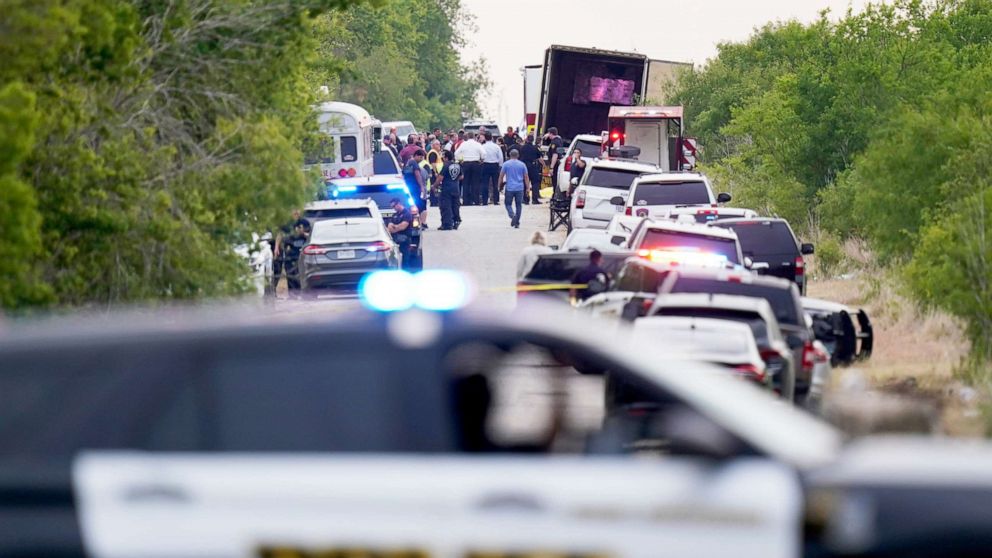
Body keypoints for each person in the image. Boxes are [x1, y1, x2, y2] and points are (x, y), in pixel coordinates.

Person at [273, 209, 311, 297]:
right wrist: (276, 247)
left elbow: (311, 236)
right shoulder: (286, 224)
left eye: (297, 211)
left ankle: (303, 294)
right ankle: (292, 294)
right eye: (294, 211)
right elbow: (280, 235)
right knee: (289, 273)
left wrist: (303, 233)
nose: (296, 213)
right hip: (290, 252)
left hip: (302, 253)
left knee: (302, 274)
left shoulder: (305, 223)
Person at [499, 149, 530, 228]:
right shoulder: (522, 164)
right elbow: (526, 177)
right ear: (518, 155)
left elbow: (501, 176)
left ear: (509, 155)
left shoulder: (506, 164)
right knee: (518, 205)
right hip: (519, 187)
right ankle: (517, 222)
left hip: (510, 187)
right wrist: (528, 188)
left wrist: (499, 185)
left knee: (508, 204)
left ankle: (512, 215)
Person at [455, 130, 484, 205]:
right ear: (474, 136)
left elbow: (456, 153)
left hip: (466, 163)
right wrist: (482, 160)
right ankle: (476, 200)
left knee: (466, 183)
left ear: (467, 137)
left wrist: (460, 160)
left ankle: (466, 201)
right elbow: (484, 153)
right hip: (475, 163)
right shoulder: (477, 144)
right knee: (475, 182)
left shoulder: (464, 144)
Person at [403, 149, 428, 228]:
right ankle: (420, 223)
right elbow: (417, 174)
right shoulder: (414, 163)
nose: (421, 160)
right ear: (416, 155)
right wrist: (421, 187)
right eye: (420, 157)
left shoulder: (408, 163)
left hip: (409, 186)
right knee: (421, 205)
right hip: (415, 187)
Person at [386, 197, 415, 267]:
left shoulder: (407, 214)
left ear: (398, 204)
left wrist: (394, 227)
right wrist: (395, 227)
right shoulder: (395, 215)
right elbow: (389, 227)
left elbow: (402, 227)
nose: (393, 208)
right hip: (395, 240)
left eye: (394, 206)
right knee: (395, 260)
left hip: (404, 240)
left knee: (405, 260)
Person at [438, 150, 462, 230]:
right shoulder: (457, 165)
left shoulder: (446, 165)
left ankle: (447, 224)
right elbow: (462, 176)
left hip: (447, 188)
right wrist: (454, 180)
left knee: (446, 206)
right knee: (455, 205)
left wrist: (434, 185)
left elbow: (440, 177)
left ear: (446, 158)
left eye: (443, 157)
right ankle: (456, 221)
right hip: (456, 187)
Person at [517, 134, 543, 205]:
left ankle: (525, 199)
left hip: (524, 167)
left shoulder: (522, 148)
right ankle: (535, 199)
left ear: (527, 139)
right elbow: (539, 157)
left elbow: (518, 157)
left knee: (525, 182)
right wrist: (544, 165)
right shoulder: (535, 148)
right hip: (533, 166)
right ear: (532, 140)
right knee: (535, 183)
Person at [481, 132, 504, 205]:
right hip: (494, 165)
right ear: (492, 137)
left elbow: (481, 156)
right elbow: (500, 157)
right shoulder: (496, 146)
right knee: (495, 183)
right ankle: (496, 200)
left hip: (485, 165)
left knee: (485, 183)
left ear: (485, 138)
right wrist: (500, 166)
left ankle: (485, 201)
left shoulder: (483, 146)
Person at [541, 127, 564, 193]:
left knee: (554, 180)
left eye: (549, 133)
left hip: (555, 164)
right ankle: (555, 195)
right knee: (556, 180)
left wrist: (551, 167)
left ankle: (554, 196)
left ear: (551, 134)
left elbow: (555, 155)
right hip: (558, 162)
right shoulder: (559, 140)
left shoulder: (554, 143)